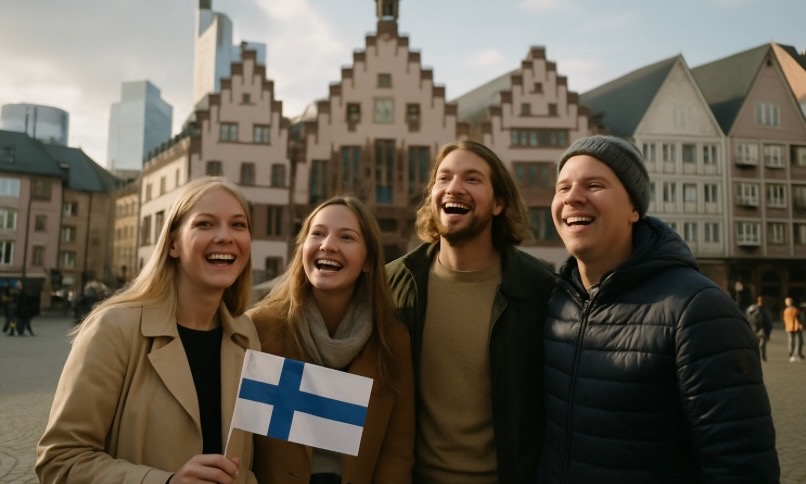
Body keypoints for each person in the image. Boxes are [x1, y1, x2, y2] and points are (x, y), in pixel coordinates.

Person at [539, 135, 779, 483]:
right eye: (562, 188)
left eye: (594, 185)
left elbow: (740, 463)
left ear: (634, 208)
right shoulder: (557, 301)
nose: (572, 197)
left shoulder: (698, 309)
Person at [36, 177, 260, 484]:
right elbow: (61, 460)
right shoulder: (114, 328)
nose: (225, 236)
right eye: (205, 224)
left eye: (238, 225)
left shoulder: (246, 336)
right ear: (172, 244)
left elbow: (250, 463)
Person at [386, 140, 555, 483]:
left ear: (498, 203)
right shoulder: (392, 284)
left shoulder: (539, 287)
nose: (454, 188)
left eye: (472, 179)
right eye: (444, 178)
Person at [248, 195, 415, 483]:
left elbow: (396, 453)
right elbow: (240, 442)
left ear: (369, 262)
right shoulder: (261, 328)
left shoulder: (391, 338)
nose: (328, 245)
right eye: (318, 233)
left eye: (347, 237)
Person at [746, 295, 773, 361]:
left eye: (762, 301)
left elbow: (769, 321)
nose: (761, 302)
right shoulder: (753, 307)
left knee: (762, 344)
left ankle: (763, 355)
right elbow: (748, 315)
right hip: (754, 329)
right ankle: (755, 356)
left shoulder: (766, 309)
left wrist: (768, 332)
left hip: (762, 329)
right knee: (755, 344)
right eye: (760, 300)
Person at [782, 296, 804, 362]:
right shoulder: (787, 310)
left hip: (796, 326)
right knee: (792, 342)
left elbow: (798, 318)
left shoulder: (793, 310)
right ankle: (791, 355)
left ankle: (798, 354)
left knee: (799, 341)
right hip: (791, 327)